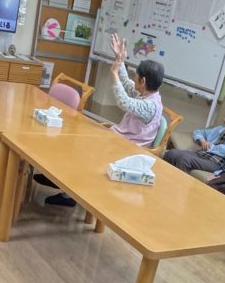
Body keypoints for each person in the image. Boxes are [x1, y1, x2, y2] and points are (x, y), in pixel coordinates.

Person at [40, 31, 164, 207]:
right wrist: (119, 60)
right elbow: (127, 84)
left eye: (136, 76)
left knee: (85, 150)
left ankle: (70, 194)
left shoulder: (150, 105)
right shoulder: (146, 94)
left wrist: (114, 73)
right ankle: (62, 181)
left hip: (127, 148)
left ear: (143, 81)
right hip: (118, 139)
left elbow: (124, 102)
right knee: (79, 142)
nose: (134, 78)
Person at [163, 100, 225, 175]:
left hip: (217, 163)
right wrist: (202, 140)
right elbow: (198, 132)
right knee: (172, 153)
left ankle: (179, 186)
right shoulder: (220, 129)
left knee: (184, 159)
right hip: (202, 155)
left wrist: (210, 146)